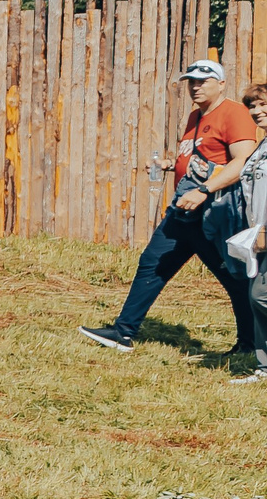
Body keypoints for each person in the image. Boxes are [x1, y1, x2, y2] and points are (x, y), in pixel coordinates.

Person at [81, 59, 259, 367]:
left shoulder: (234, 113)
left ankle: (250, 344)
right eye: (191, 81)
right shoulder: (195, 115)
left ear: (221, 83)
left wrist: (203, 190)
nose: (195, 86)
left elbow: (241, 162)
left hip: (211, 214)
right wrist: (170, 164)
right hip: (183, 212)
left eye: (203, 81)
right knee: (152, 263)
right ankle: (123, 332)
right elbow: (200, 159)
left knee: (234, 278)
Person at [234, 83, 267, 384]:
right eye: (252, 107)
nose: (256, 112)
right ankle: (263, 368)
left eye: (262, 105)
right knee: (255, 296)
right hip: (257, 235)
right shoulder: (262, 145)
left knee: (260, 296)